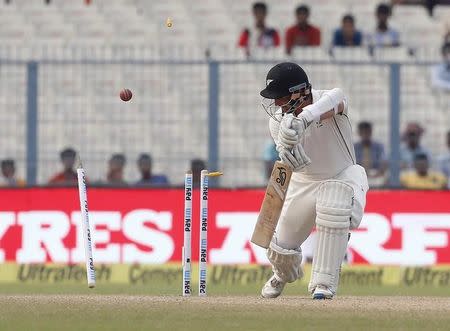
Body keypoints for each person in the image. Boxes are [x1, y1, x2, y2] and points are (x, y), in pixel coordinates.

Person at [259, 62, 369, 299]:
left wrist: (305, 118)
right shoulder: (277, 121)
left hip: (342, 175)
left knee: (335, 207)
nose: (276, 103)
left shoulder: (327, 100)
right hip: (303, 182)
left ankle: (323, 284)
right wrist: (286, 147)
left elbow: (337, 99)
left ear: (300, 91)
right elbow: (287, 160)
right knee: (281, 248)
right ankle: (282, 274)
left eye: (281, 96)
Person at [354, 121, 387, 187]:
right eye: (363, 132)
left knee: (381, 181)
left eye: (367, 132)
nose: (365, 135)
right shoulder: (354, 147)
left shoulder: (379, 146)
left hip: (375, 174)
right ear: (359, 133)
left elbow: (384, 162)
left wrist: (378, 173)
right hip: (360, 175)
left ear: (371, 132)